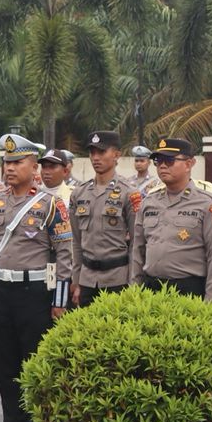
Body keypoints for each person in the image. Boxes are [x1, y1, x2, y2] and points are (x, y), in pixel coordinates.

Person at [0, 134, 73, 422]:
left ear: (34, 167)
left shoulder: (50, 204)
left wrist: (60, 301)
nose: (9, 168)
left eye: (17, 162)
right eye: (6, 162)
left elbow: (65, 254)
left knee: (34, 362)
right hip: (2, 291)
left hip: (35, 292)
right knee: (5, 362)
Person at [130, 138, 212, 300]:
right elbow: (138, 251)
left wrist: (211, 301)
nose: (162, 166)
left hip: (189, 290)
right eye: (158, 161)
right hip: (151, 289)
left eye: (169, 160)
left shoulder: (207, 204)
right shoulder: (149, 202)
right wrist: (134, 291)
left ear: (189, 164)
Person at [70, 130, 142, 307]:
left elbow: (136, 243)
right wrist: (76, 280)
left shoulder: (129, 193)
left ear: (117, 155)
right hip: (87, 280)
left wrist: (133, 283)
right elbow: (77, 242)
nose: (96, 157)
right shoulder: (79, 193)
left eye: (102, 152)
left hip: (117, 280)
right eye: (92, 152)